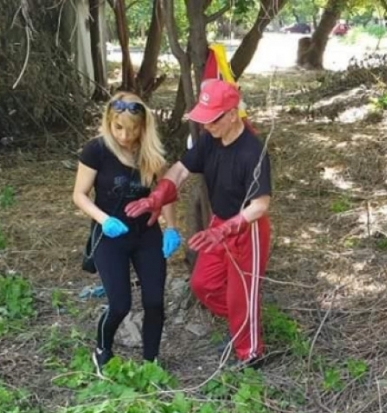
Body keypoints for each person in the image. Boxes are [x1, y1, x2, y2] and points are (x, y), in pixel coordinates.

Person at [125, 79, 271, 369]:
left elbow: (261, 205)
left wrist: (226, 229)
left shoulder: (252, 152)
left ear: (232, 114)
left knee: (241, 292)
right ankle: (242, 324)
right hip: (218, 221)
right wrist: (157, 196)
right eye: (204, 119)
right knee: (203, 284)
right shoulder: (210, 139)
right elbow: (180, 171)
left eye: (214, 119)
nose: (207, 126)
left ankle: (250, 353)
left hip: (246, 228)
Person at [72, 92, 182, 374]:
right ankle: (102, 350)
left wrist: (171, 228)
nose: (125, 135)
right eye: (118, 128)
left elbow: (165, 192)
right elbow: (79, 195)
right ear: (109, 122)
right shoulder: (95, 150)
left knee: (154, 301)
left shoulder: (151, 153)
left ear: (143, 127)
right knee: (120, 304)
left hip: (146, 235)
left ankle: (150, 362)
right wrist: (103, 219)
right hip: (111, 236)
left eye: (133, 129)